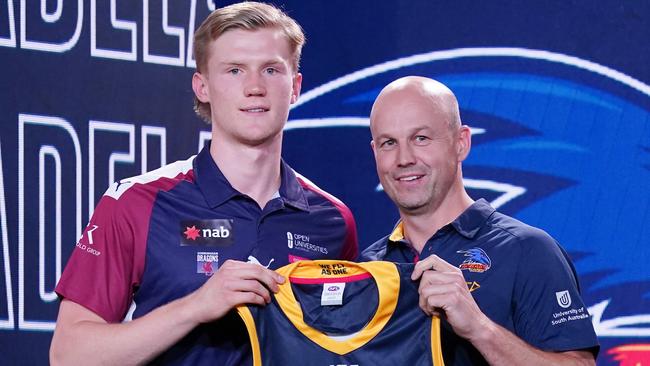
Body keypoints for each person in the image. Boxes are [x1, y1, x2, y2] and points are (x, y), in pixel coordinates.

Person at [50, 2, 358, 365]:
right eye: (234, 71)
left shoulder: (332, 220)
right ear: (202, 86)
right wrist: (195, 307)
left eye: (272, 70)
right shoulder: (136, 202)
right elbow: (69, 356)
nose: (255, 87)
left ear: (295, 87)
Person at [360, 76, 598, 365]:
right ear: (375, 153)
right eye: (388, 143)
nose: (404, 158)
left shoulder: (527, 250)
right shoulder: (367, 269)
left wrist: (479, 328)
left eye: (420, 138)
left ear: (461, 143)